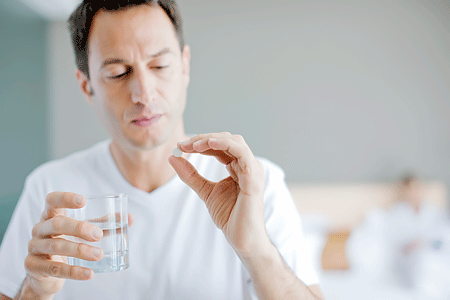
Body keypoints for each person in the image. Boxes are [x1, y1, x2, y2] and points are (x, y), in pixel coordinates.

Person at [0, 1, 324, 299]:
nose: (144, 93)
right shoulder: (49, 189)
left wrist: (256, 250)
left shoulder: (252, 184)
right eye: (118, 72)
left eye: (159, 66)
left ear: (184, 66)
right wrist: (34, 292)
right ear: (87, 86)